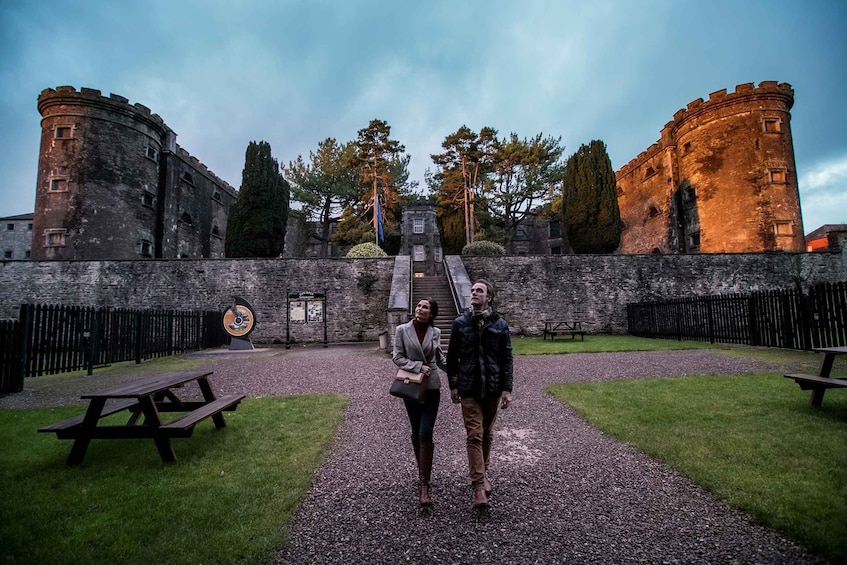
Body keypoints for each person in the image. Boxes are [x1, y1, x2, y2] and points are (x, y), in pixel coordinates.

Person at [446, 279, 513, 508]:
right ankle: (478, 488)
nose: (474, 293)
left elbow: (506, 358)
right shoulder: (460, 323)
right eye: (472, 290)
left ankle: (483, 473)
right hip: (469, 388)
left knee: (487, 434)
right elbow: (451, 357)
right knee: (474, 434)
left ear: (489, 297)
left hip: (493, 388)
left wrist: (507, 388)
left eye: (479, 291)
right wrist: (453, 386)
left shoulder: (500, 325)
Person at [392, 298, 447, 507]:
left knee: (426, 433)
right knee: (416, 432)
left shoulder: (436, 332)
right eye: (418, 306)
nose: (419, 309)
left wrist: (458, 374)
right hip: (412, 387)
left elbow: (439, 359)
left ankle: (424, 484)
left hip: (432, 388)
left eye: (425, 307)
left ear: (431, 313)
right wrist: (417, 366)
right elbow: (396, 357)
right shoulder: (402, 330)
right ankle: (422, 471)